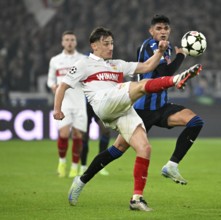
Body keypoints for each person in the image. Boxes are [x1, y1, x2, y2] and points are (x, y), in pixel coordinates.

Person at [53, 27, 202, 211]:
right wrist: (57, 109)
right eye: (106, 43)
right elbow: (63, 86)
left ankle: (134, 198)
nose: (110, 47)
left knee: (144, 148)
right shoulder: (83, 64)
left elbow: (147, 66)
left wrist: (161, 52)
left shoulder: (117, 64)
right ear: (94, 45)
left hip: (122, 107)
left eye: (112, 43)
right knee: (138, 86)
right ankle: (176, 79)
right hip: (103, 103)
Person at [114, 15, 204, 185]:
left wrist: (177, 61)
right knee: (117, 149)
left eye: (166, 28)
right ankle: (82, 179)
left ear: (170, 31)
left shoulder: (167, 48)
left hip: (161, 106)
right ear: (151, 31)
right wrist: (181, 56)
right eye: (159, 28)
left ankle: (171, 165)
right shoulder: (149, 46)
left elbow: (164, 76)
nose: (163, 31)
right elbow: (164, 75)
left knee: (195, 122)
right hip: (142, 108)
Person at [47, 31, 87, 178]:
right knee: (63, 134)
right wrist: (53, 87)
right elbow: (50, 80)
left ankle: (74, 167)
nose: (69, 42)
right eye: (67, 40)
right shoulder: (55, 60)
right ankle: (62, 162)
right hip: (63, 102)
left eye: (72, 40)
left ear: (75, 42)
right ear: (62, 42)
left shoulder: (83, 59)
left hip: (79, 102)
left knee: (78, 135)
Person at [80, 100, 111, 176]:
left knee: (106, 131)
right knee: (84, 136)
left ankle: (100, 165)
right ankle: (83, 167)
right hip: (85, 105)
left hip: (98, 103)